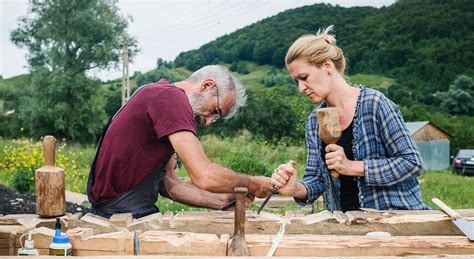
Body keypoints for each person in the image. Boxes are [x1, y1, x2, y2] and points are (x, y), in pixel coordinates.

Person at [271, 26, 429, 212]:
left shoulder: (374, 104)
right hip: (345, 224)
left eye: (304, 77)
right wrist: (296, 188)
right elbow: (317, 180)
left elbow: (412, 163)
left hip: (394, 220)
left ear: (327, 66)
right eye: (296, 81)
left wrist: (352, 166)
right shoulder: (315, 122)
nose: (301, 88)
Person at [87, 65, 273, 218]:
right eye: (215, 110)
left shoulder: (158, 95)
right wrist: (253, 184)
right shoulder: (171, 99)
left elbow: (169, 184)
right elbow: (204, 175)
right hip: (122, 217)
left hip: (122, 211)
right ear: (207, 85)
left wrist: (222, 201)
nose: (208, 122)